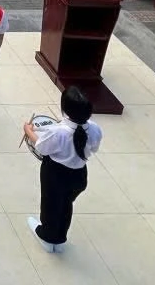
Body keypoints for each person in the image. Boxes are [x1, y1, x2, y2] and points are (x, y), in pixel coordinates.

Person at [24, 86, 102, 252]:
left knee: (50, 204)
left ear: (65, 108)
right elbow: (94, 149)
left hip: (55, 174)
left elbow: (42, 148)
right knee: (67, 204)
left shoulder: (58, 132)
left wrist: (28, 131)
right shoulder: (95, 129)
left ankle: (47, 235)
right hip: (79, 175)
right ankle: (60, 237)